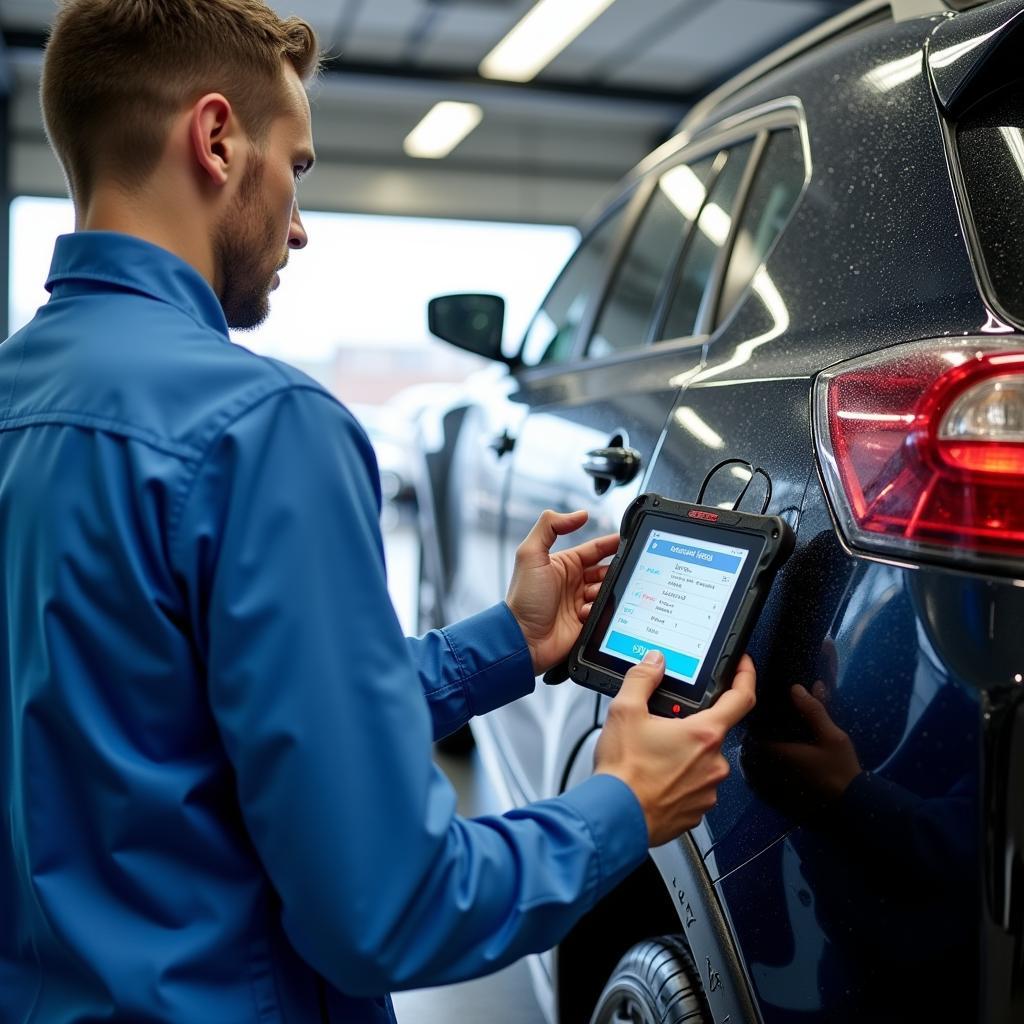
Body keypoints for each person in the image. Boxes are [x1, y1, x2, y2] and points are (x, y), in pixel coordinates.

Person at [0, 2, 757, 1021]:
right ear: (217, 139)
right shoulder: (259, 428)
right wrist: (618, 806)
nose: (300, 225)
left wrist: (509, 642)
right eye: (298, 166)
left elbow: (179, 710)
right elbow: (386, 909)